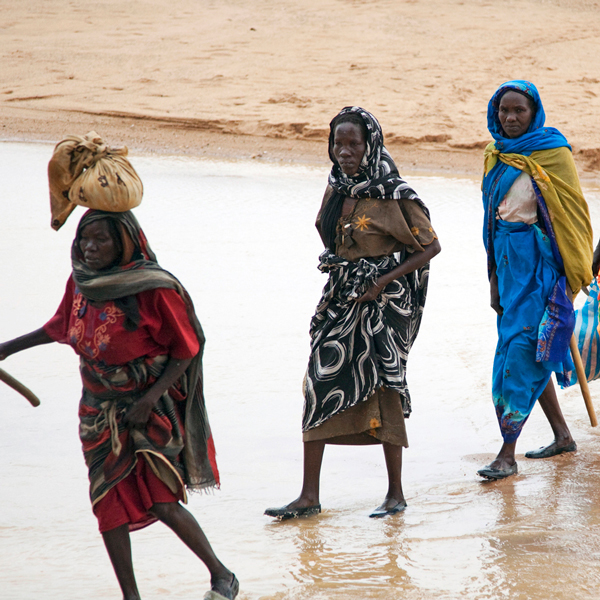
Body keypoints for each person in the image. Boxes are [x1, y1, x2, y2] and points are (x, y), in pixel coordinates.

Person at [0, 210, 238, 600]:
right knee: (106, 503)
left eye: (100, 240)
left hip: (148, 410)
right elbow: (61, 326)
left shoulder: (153, 288)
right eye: (83, 240)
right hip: (97, 411)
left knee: (162, 502)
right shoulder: (81, 282)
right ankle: (131, 596)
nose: (89, 248)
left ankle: (222, 575)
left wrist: (146, 400)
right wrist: (7, 349)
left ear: (124, 243)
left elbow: (187, 348)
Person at [265, 106, 441, 519]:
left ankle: (395, 494)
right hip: (341, 300)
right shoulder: (336, 187)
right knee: (318, 382)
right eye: (337, 143)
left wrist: (381, 279)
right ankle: (309, 496)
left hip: (382, 306)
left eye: (352, 144)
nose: (344, 151)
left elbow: (430, 246)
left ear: (370, 145)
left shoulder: (395, 194)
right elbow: (324, 231)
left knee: (385, 390)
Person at [478, 80, 593, 480]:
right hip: (509, 268)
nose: (509, 118)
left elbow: (572, 216)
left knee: (519, 353)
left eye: (518, 111)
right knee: (532, 349)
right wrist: (493, 277)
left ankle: (506, 453)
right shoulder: (495, 155)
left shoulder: (553, 154)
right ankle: (563, 435)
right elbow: (491, 223)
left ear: (534, 113)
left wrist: (571, 273)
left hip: (543, 268)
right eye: (503, 111)